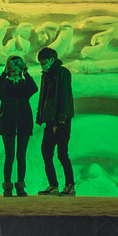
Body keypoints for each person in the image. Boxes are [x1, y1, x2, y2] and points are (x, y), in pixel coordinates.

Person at [0, 55, 37, 196]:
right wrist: (4, 74)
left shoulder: (24, 84)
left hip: (24, 123)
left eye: (18, 67)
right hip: (7, 123)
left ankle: (20, 186)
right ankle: (7, 186)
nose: (15, 70)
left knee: (21, 156)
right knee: (9, 156)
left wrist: (26, 73)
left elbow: (34, 88)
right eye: (12, 67)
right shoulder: (5, 84)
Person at [36, 46, 75, 193]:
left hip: (61, 120)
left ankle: (70, 185)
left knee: (62, 153)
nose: (42, 65)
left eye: (44, 62)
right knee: (46, 152)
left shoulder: (62, 73)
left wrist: (61, 119)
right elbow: (43, 97)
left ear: (52, 60)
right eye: (40, 62)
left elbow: (65, 96)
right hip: (50, 120)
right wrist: (40, 116)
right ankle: (53, 185)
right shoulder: (45, 75)